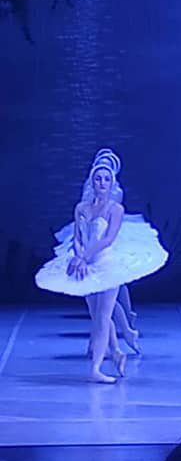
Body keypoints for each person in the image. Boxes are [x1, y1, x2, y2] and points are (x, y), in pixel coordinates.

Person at [36, 163, 167, 383]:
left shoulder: (115, 209)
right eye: (98, 179)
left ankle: (96, 368)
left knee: (104, 317)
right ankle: (116, 352)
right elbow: (77, 237)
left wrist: (84, 257)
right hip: (85, 266)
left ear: (112, 182)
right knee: (97, 317)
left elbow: (108, 239)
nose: (102, 183)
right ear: (92, 182)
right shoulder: (81, 207)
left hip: (106, 265)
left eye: (107, 179)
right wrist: (79, 256)